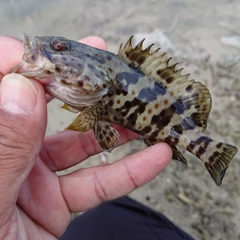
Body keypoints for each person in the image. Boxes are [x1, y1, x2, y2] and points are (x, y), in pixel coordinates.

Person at [0, 35, 194, 239]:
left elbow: (89, 121)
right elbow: (91, 121)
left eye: (58, 47)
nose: (49, 49)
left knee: (108, 211)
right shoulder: (93, 88)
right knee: (111, 210)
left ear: (95, 70)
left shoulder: (99, 86)